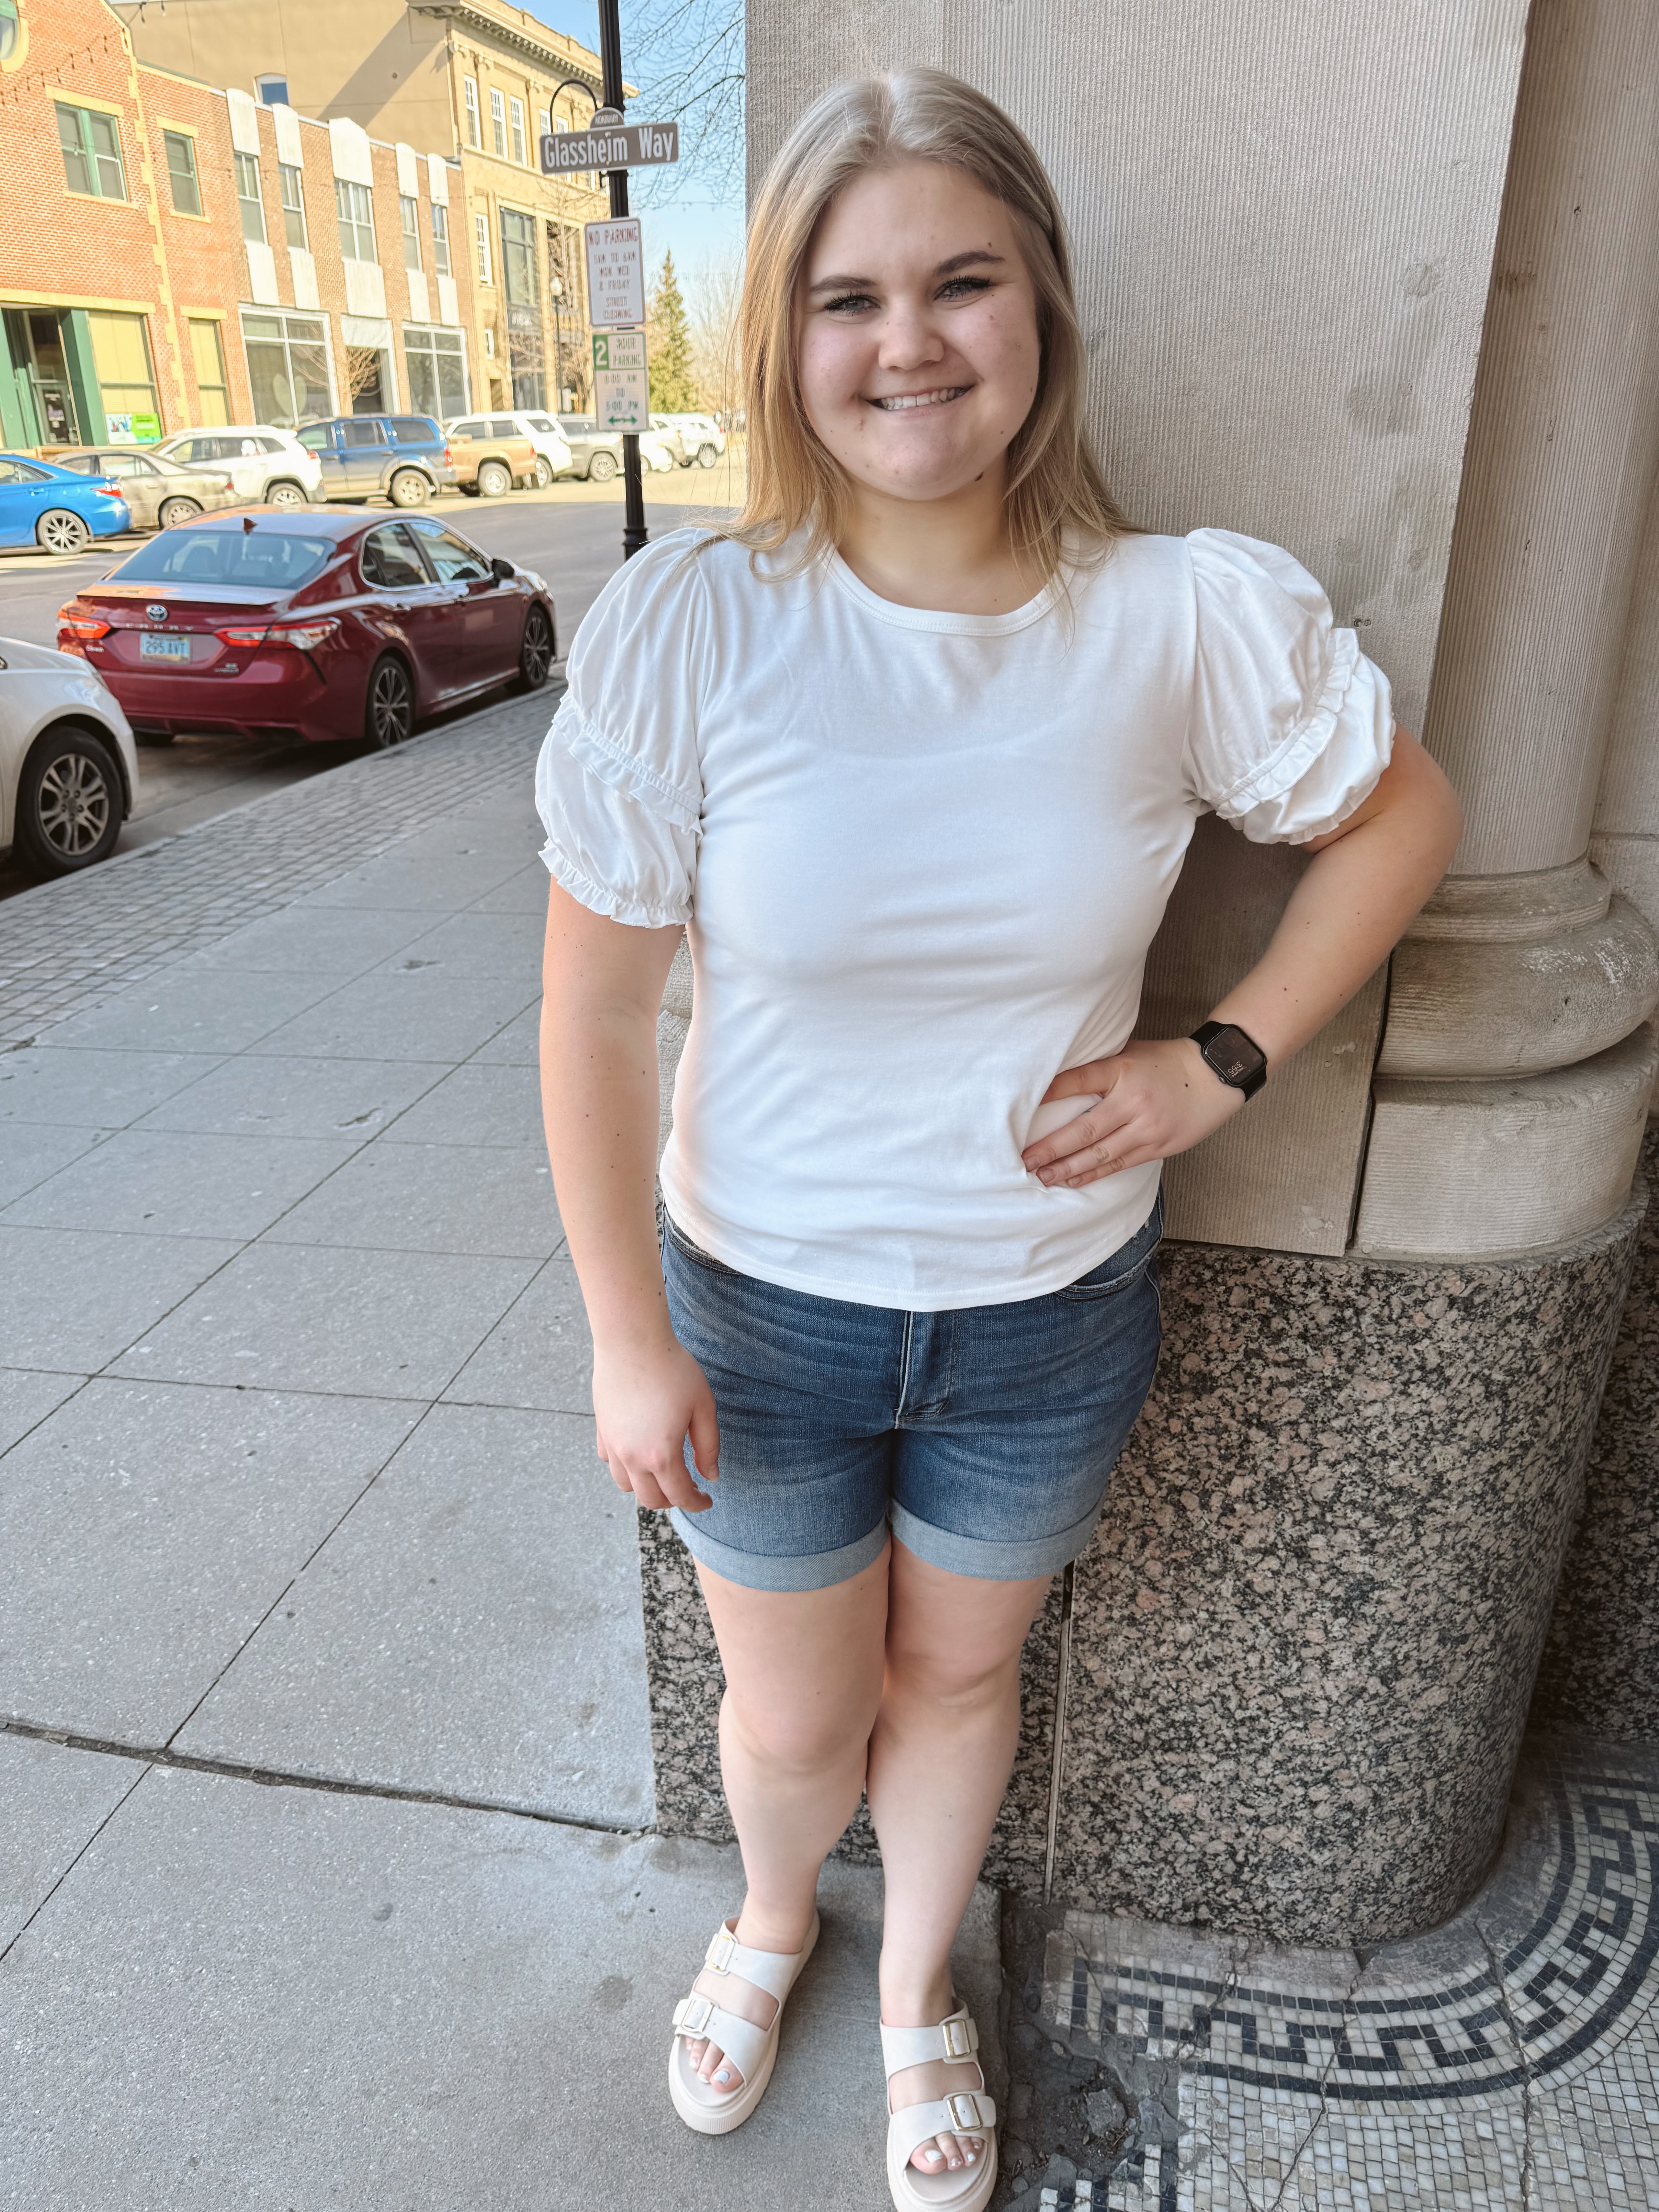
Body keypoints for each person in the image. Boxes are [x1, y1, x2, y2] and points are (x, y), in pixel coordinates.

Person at [536, 67, 1462, 2212]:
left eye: (962, 281)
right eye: (847, 298)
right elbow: (591, 1010)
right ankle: (775, 1926)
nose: (907, 342)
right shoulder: (705, 627)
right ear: (784, 342)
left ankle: (917, 1987)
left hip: (1045, 1317)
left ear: (1041, 307)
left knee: (959, 1677)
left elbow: (1401, 816)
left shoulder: (1173, 618)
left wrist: (1215, 1061)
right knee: (785, 1724)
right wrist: (621, 1337)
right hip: (757, 1313)